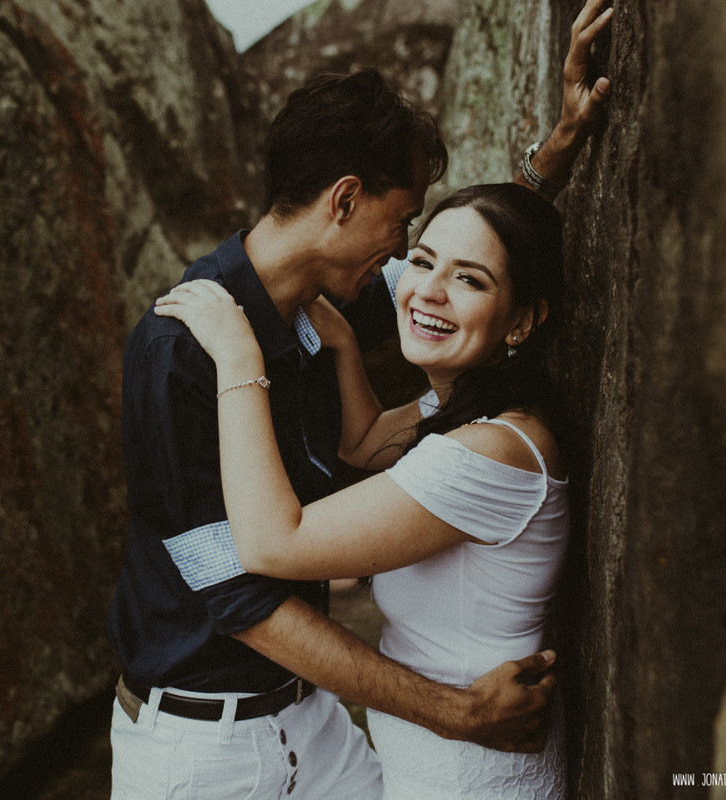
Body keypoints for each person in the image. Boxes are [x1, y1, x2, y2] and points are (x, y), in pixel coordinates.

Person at [106, 2, 612, 796]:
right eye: (402, 220)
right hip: (202, 750)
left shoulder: (328, 297)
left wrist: (553, 155)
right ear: (344, 201)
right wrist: (454, 711)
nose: (406, 250)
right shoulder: (181, 353)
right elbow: (240, 597)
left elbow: (469, 275)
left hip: (317, 727)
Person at [156, 182, 570, 798]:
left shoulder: (490, 451)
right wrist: (346, 342)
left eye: (469, 280)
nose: (429, 290)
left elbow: (272, 543)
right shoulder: (465, 410)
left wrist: (241, 361)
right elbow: (368, 443)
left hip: (475, 778)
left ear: (523, 321)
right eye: (422, 261)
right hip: (439, 769)